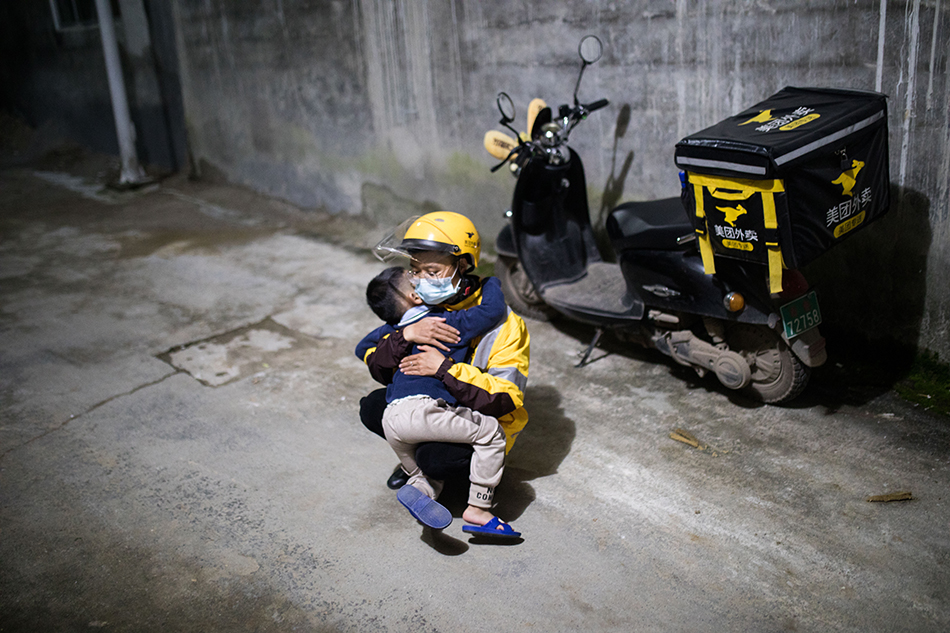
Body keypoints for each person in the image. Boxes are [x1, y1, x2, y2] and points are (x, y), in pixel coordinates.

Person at [355, 211, 530, 535]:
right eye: (416, 270)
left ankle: (432, 471)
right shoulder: (421, 312)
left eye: (433, 271)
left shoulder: (503, 323)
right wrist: (406, 335)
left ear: (462, 265)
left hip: (480, 411)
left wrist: (445, 370)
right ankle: (426, 471)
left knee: (436, 458)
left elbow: (506, 399)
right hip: (435, 408)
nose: (421, 280)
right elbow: (373, 359)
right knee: (373, 406)